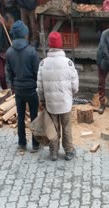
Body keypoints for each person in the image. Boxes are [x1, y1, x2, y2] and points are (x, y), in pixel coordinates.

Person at [37, 32, 79, 161]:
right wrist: (72, 93)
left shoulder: (43, 63)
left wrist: (42, 99)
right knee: (66, 126)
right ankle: (69, 151)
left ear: (50, 45)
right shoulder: (68, 63)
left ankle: (54, 152)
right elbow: (75, 85)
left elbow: (39, 86)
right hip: (65, 102)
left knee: (53, 127)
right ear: (61, 45)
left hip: (50, 103)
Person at [6, 21, 40, 152]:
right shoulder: (31, 52)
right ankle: (36, 144)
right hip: (31, 89)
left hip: (19, 90)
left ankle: (21, 142)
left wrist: (12, 86)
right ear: (25, 34)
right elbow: (37, 72)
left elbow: (9, 72)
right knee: (34, 116)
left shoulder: (9, 52)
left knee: (20, 116)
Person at [0, 13, 15, 90]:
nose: (11, 25)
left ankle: (13, 89)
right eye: (10, 23)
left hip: (9, 54)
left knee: (12, 74)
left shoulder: (12, 30)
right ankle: (4, 89)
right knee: (1, 75)